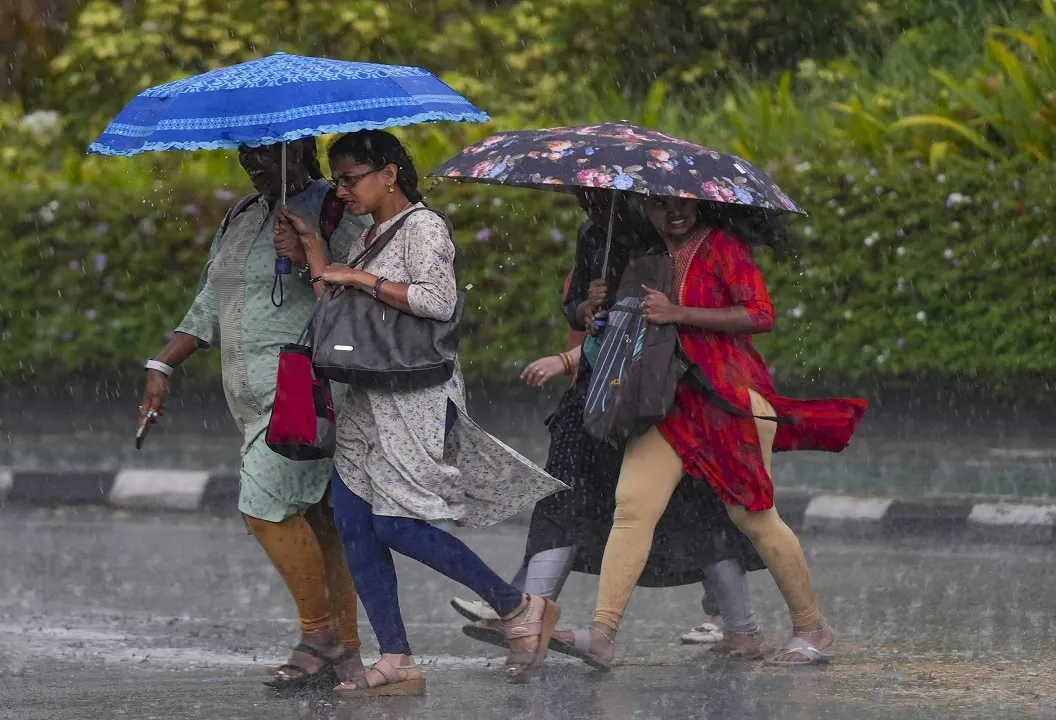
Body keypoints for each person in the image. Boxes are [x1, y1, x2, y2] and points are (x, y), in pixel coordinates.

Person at [276, 129, 567, 696]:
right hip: (367, 393)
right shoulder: (372, 232)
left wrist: (355, 274)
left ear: (388, 173)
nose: (341, 190)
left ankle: (519, 606)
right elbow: (343, 307)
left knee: (396, 523)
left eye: (350, 178)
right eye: (336, 179)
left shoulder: (424, 226)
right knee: (354, 521)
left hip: (414, 395)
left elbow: (435, 301)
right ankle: (397, 659)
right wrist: (314, 247)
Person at [554, 195, 868, 669]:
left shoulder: (723, 246)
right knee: (633, 507)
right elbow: (635, 329)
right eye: (660, 206)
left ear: (700, 205)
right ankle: (602, 633)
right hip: (669, 404)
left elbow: (761, 314)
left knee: (754, 518)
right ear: (647, 212)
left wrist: (680, 313)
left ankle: (812, 628)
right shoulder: (646, 257)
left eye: (682, 204)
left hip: (728, 401)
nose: (673, 213)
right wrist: (597, 312)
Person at [451, 191, 767, 662]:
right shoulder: (596, 232)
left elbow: (725, 315)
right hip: (598, 389)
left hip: (666, 393)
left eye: (601, 200)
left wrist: (659, 309)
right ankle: (529, 614)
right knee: (564, 493)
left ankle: (742, 627)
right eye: (584, 200)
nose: (591, 208)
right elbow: (581, 308)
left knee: (698, 505)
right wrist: (586, 308)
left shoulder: (685, 240)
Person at [137, 138, 371, 690]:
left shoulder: (334, 209)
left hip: (305, 389)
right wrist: (162, 366)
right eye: (246, 155)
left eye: (265, 153)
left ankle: (320, 636)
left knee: (264, 506)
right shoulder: (242, 214)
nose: (252, 164)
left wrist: (308, 253)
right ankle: (348, 656)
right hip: (249, 398)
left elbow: (361, 294)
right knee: (319, 520)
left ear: (301, 151)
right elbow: (209, 301)